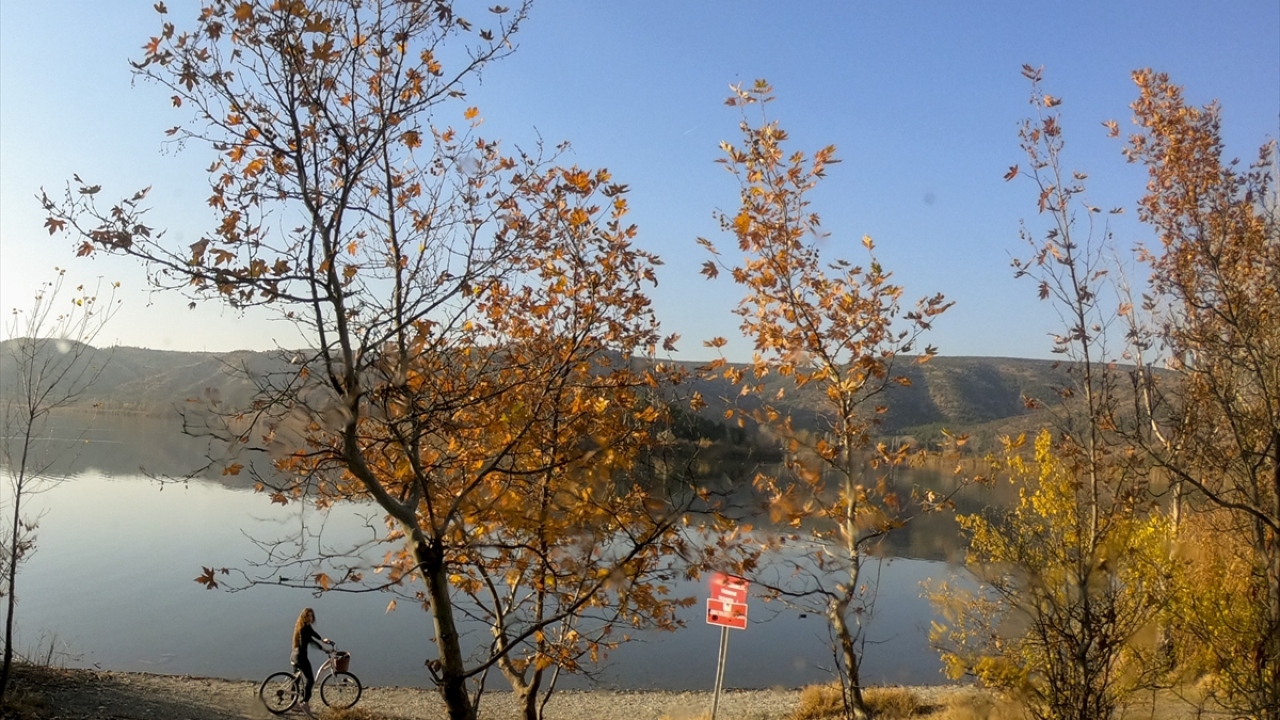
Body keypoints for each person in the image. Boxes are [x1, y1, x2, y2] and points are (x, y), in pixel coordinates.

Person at [291, 607, 332, 713]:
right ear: (304, 617)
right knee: (310, 680)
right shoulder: (304, 629)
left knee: (296, 680)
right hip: (301, 657)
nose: (310, 618)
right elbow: (312, 641)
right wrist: (325, 649)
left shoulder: (304, 626)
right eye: (308, 616)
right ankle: (305, 703)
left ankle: (293, 703)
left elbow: (313, 633)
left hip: (294, 655)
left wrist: (322, 639)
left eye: (311, 616)